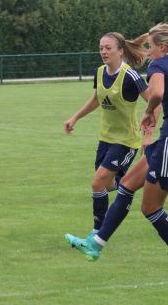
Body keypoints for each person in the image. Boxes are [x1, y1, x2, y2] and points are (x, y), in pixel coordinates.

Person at [66, 23, 168, 273]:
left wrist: (147, 113)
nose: (147, 52)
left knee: (150, 208)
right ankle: (96, 243)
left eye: (150, 47)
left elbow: (156, 93)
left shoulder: (160, 64)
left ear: (162, 47)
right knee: (127, 184)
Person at [63, 32, 154, 239]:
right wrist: (75, 117)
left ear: (120, 51)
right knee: (104, 184)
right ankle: (127, 184)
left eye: (108, 48)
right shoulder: (100, 72)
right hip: (105, 139)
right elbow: (96, 99)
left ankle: (97, 233)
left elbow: (154, 100)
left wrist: (148, 127)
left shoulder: (131, 76)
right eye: (101, 48)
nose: (103, 51)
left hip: (126, 141)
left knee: (97, 183)